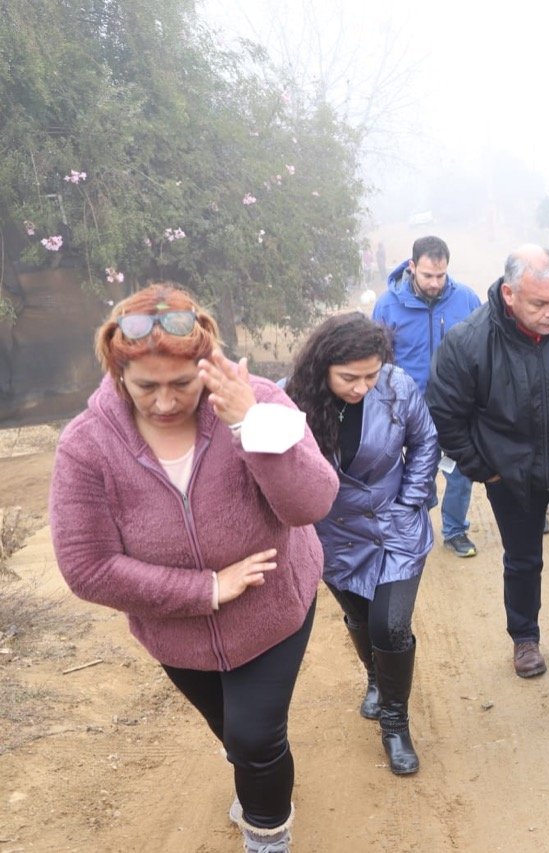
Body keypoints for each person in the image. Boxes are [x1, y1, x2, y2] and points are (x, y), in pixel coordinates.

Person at [49, 284, 339, 852]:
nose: (164, 402)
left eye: (181, 384)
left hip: (273, 608)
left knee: (256, 737)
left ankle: (267, 835)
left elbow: (311, 505)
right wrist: (205, 588)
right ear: (117, 373)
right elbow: (86, 566)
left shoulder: (257, 402)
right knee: (234, 735)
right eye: (145, 387)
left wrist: (250, 425)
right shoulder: (87, 445)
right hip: (175, 630)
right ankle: (256, 771)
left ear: (205, 365)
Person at [427, 244, 549, 691]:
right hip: (511, 475)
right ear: (509, 294)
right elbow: (445, 413)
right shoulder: (469, 341)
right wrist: (484, 468)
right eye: (540, 303)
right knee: (522, 559)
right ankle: (525, 639)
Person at [285, 313, 440, 776]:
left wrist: (412, 500)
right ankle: (375, 676)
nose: (362, 387)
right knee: (358, 615)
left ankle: (395, 724)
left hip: (396, 528)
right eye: (349, 377)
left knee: (390, 626)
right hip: (333, 532)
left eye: (370, 375)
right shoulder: (291, 399)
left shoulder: (396, 386)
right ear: (322, 369)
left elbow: (425, 440)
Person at [373, 236, 482, 559]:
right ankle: (413, 527)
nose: (435, 283)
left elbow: (482, 349)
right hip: (409, 409)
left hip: (457, 407)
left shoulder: (466, 300)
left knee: (461, 472)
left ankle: (455, 530)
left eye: (441, 276)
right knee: (414, 475)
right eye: (427, 276)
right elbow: (376, 360)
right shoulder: (387, 305)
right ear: (411, 267)